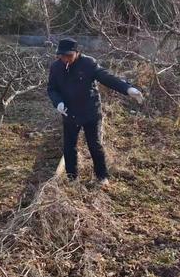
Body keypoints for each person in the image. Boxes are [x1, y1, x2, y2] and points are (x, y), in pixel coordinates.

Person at [47, 38, 143, 185]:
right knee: (69, 146)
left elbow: (106, 77)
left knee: (94, 144)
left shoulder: (88, 64)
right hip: (69, 112)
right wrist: (58, 102)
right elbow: (52, 89)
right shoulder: (56, 67)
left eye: (68, 56)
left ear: (77, 53)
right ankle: (72, 178)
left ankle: (102, 176)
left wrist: (127, 89)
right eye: (62, 56)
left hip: (90, 112)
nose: (65, 59)